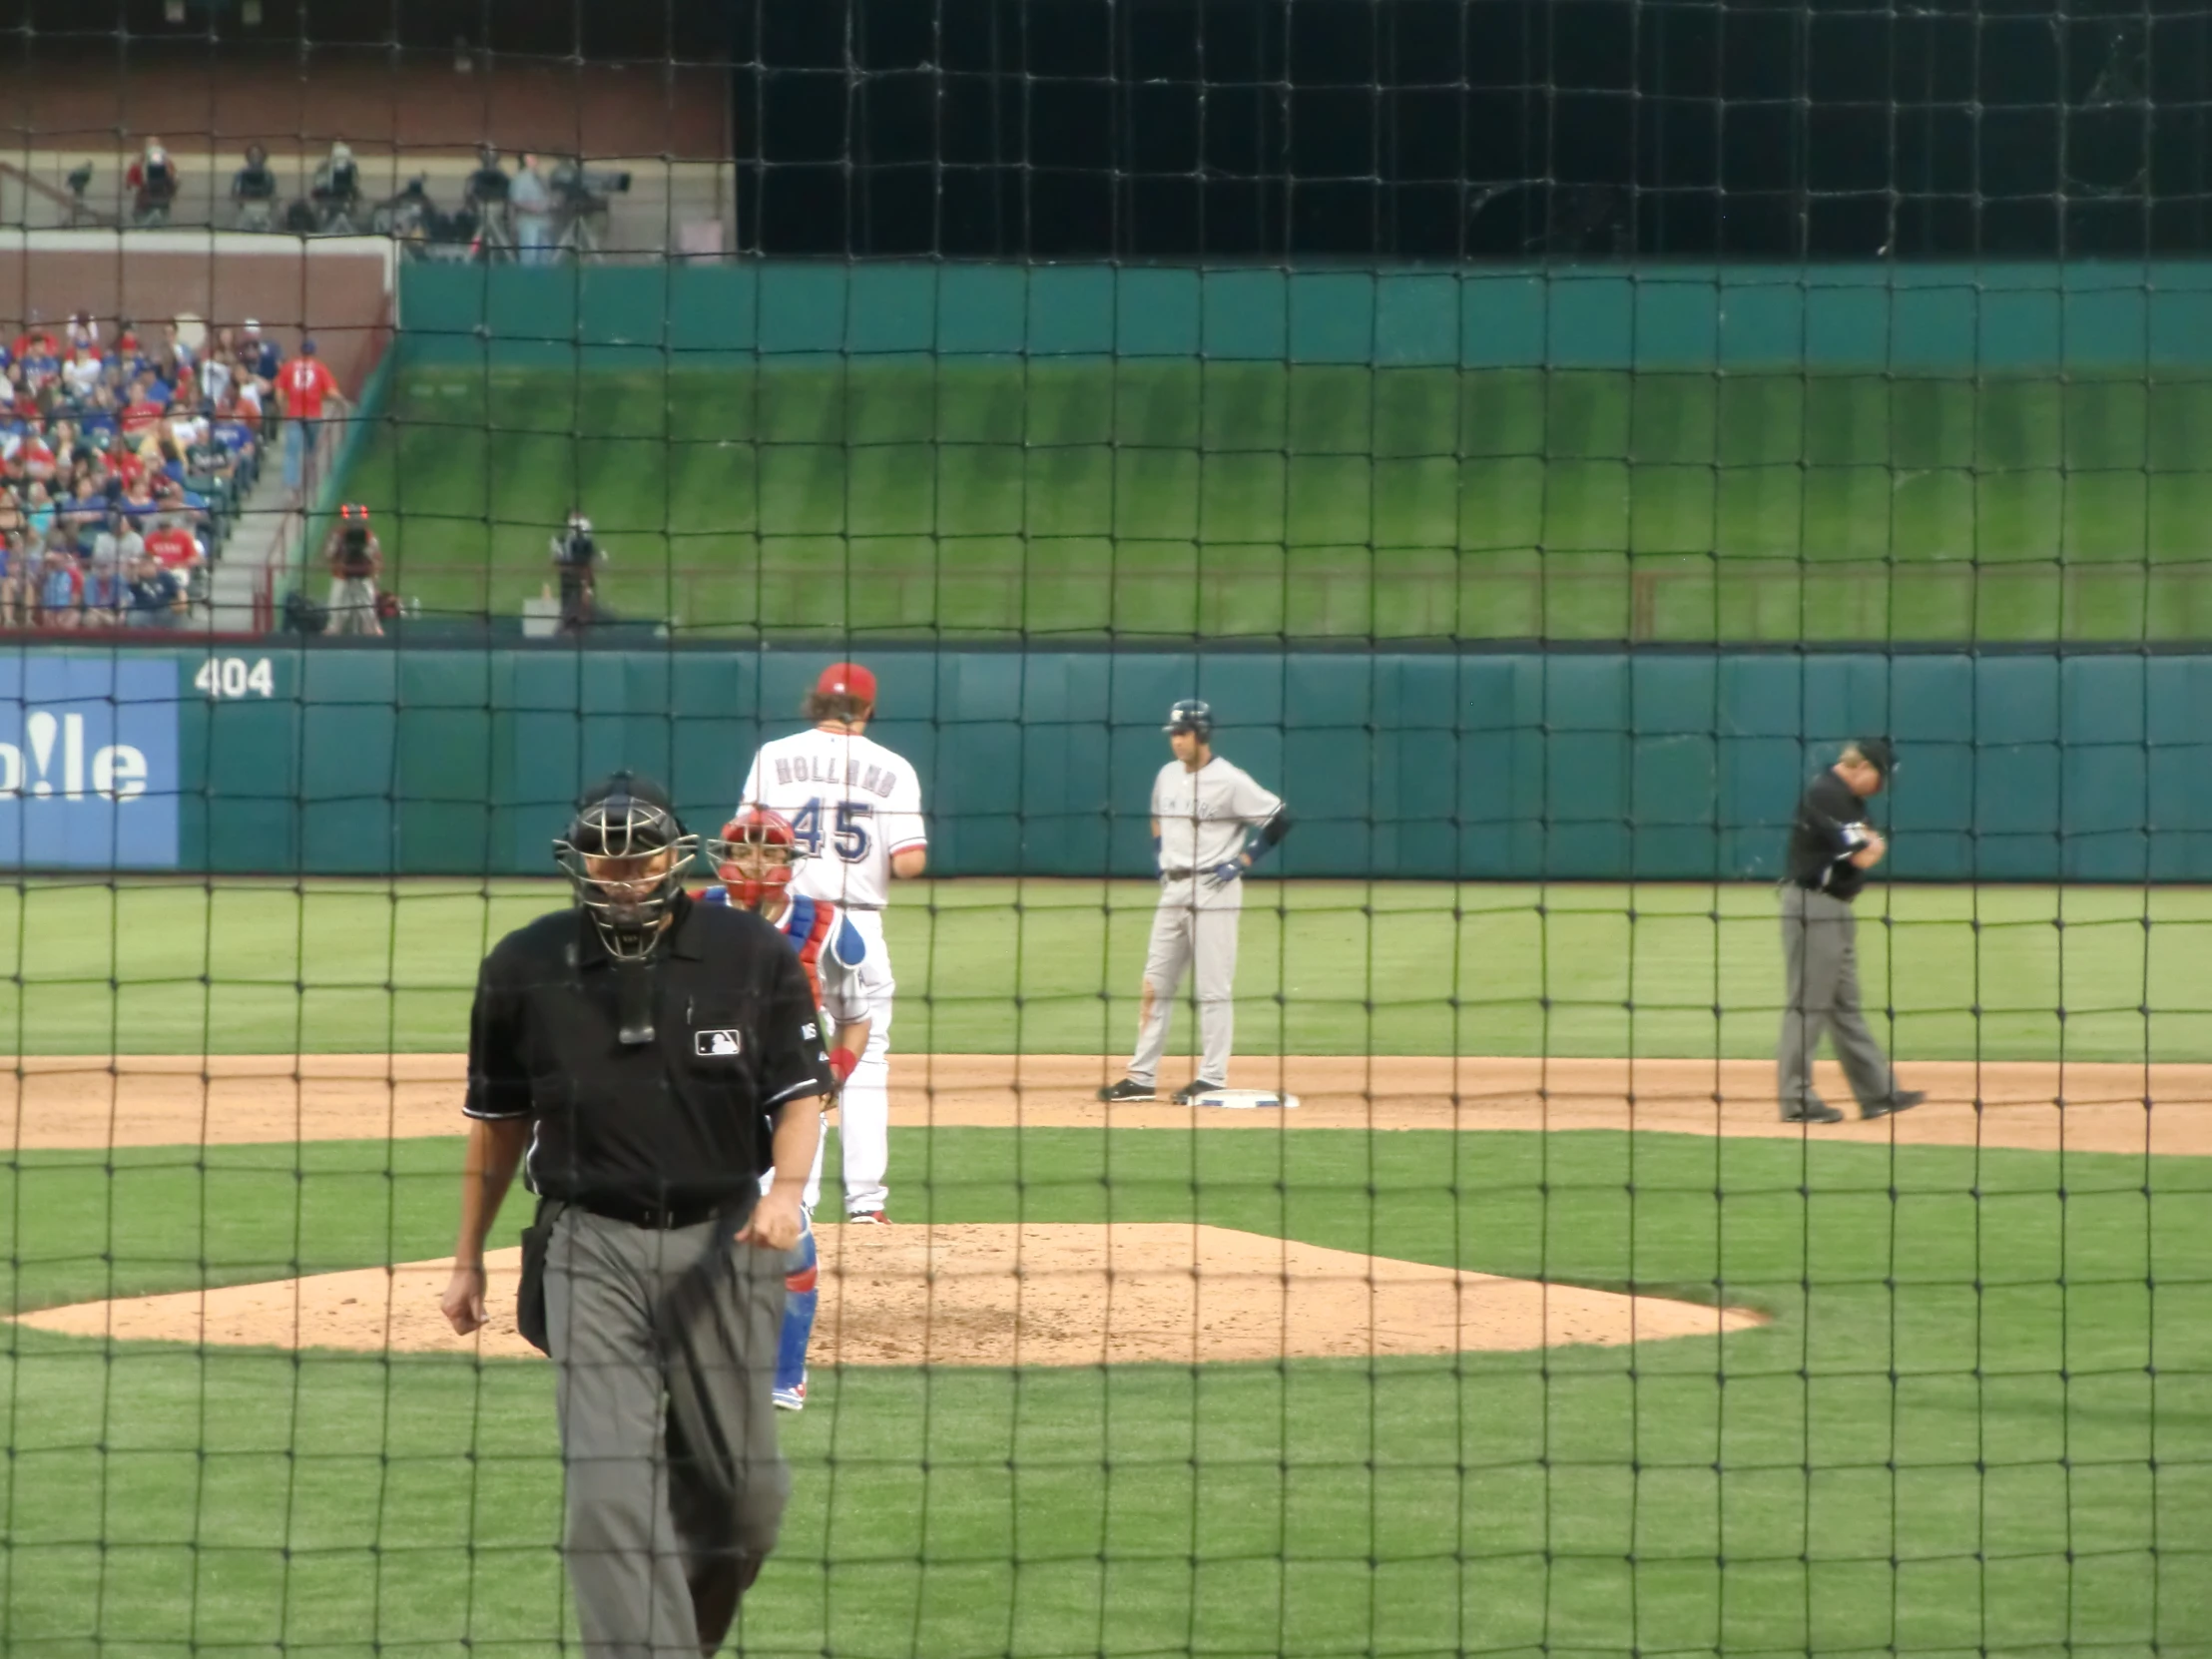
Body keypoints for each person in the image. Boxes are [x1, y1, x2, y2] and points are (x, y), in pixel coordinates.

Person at [440, 773, 831, 1659]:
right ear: (574, 861)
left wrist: (785, 1191)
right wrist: (466, 1256)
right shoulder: (523, 965)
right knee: (607, 1491)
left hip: (726, 1243)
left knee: (746, 1498)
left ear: (675, 855)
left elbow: (801, 1095)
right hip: (590, 1244)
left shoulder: (747, 953)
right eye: (603, 855)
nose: (621, 872)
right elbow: (499, 1127)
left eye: (640, 854)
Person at [700, 807, 883, 1412]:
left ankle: (786, 1371)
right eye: (744, 849)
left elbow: (856, 1020)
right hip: (705, 1098)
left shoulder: (826, 926)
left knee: (787, 1225)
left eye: (768, 851)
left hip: (790, 1102)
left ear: (787, 861)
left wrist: (836, 1072)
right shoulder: (689, 916)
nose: (755, 861)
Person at [739, 662, 926, 1225]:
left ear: (815, 702)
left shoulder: (773, 755)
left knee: (783, 1060)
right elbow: (909, 861)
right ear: (867, 711)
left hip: (782, 922)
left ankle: (794, 1204)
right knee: (865, 1058)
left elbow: (746, 844)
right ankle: (867, 1206)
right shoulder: (894, 767)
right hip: (858, 924)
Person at [1097, 699, 1294, 1104]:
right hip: (1173, 889)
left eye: (1183, 734)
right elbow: (1156, 815)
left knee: (1212, 987)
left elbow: (1279, 818)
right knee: (1155, 982)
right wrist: (1158, 854)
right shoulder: (1167, 775)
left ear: (1201, 734)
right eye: (1174, 734)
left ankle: (1212, 1076)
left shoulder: (1230, 780)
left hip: (1213, 890)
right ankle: (1141, 1077)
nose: (1177, 742)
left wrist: (1241, 861)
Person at [1777, 738, 1926, 1125]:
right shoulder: (1827, 794)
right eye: (1878, 778)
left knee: (1845, 1007)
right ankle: (1797, 1101)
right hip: (1814, 906)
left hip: (1835, 908)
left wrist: (1871, 844)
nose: (1880, 788)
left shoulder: (1848, 800)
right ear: (1860, 765)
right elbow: (1865, 853)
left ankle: (1878, 1094)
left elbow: (1870, 847)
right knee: (1808, 1006)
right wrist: (1872, 844)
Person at [277, 340, 343, 501]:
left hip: (294, 415)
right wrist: (341, 401)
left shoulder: (289, 367)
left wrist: (282, 409)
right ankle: (310, 482)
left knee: (292, 453)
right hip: (313, 415)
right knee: (311, 450)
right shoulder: (319, 368)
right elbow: (331, 391)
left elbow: (279, 392)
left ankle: (291, 487)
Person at [321, 502, 382, 637]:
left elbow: (376, 558)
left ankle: (372, 630)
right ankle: (333, 630)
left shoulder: (369, 537)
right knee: (337, 606)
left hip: (364, 575)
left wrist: (374, 573)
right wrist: (339, 548)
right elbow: (328, 554)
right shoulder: (338, 535)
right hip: (341, 575)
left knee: (367, 607)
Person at [550, 509, 603, 630]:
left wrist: (587, 588)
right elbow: (557, 564)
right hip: (570, 591)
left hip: (584, 591)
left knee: (586, 622)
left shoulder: (586, 543)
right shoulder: (561, 542)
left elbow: (594, 562)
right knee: (572, 623)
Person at [509, 152, 554, 265]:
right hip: (528, 221)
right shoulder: (520, 178)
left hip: (544, 220)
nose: (535, 160)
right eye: (531, 158)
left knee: (545, 255)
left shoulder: (541, 178)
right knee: (529, 254)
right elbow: (516, 201)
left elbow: (547, 195)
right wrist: (533, 207)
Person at [232, 143, 278, 231]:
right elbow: (234, 194)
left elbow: (273, 194)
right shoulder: (241, 174)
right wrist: (243, 203)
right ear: (248, 157)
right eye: (252, 154)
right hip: (246, 208)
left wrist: (267, 205)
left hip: (264, 208)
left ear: (263, 157)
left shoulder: (269, 174)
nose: (255, 157)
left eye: (258, 154)